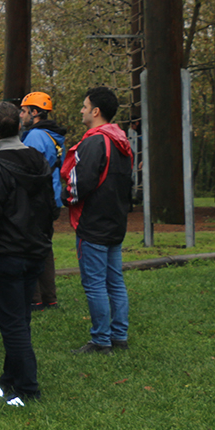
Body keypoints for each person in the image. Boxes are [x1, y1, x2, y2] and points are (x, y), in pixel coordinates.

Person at [0, 101, 53, 406]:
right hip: (33, 250)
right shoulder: (39, 160)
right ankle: (9, 380)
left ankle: (28, 388)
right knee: (19, 317)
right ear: (20, 126)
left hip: (8, 253)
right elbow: (50, 206)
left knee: (13, 322)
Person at [62, 86, 134, 354]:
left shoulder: (95, 141)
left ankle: (101, 340)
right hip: (116, 221)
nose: (81, 110)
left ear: (96, 111)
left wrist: (66, 197)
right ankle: (119, 336)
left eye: (84, 106)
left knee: (94, 284)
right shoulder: (122, 141)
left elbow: (81, 182)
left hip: (93, 223)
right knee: (115, 281)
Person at [19, 92, 66, 310]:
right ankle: (49, 297)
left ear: (35, 112)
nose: (21, 115)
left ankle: (34, 298)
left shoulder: (35, 136)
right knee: (45, 248)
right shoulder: (55, 137)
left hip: (37, 200)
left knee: (31, 247)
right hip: (52, 199)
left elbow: (28, 168)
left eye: (24, 110)